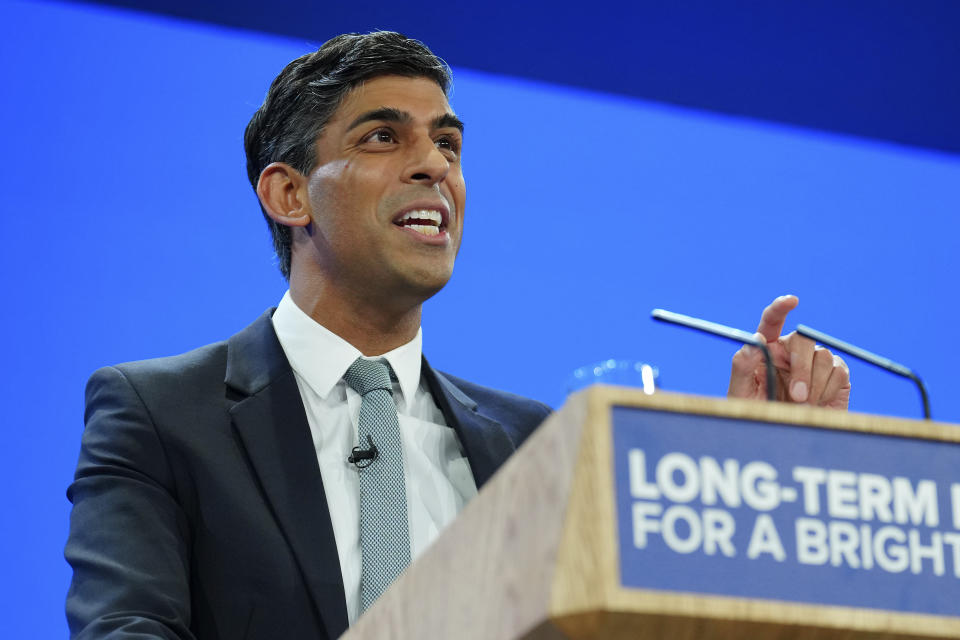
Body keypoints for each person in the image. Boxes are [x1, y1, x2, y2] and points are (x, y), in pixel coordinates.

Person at [64, 31, 850, 640]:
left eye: (448, 144)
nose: (434, 166)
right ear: (290, 193)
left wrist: (767, 480)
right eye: (383, 138)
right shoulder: (162, 414)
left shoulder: (531, 444)